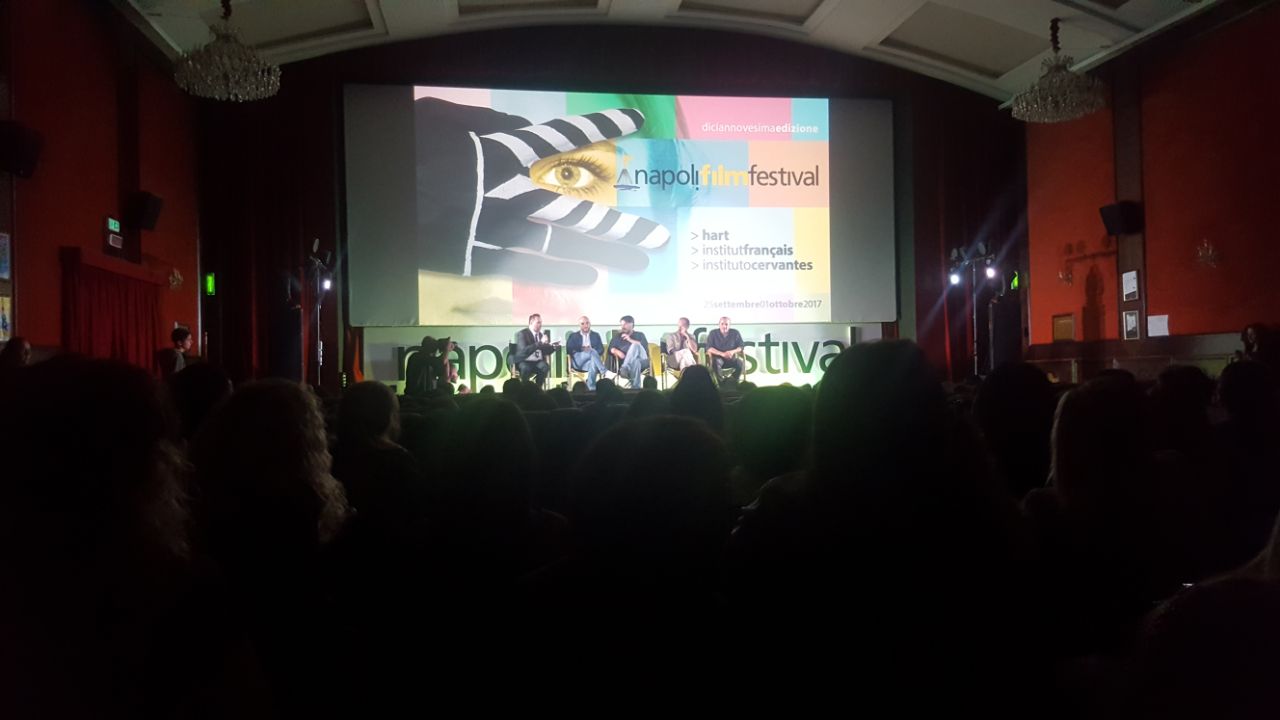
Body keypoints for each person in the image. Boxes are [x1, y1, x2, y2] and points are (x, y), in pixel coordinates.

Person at [566, 315, 609, 390]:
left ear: (590, 324)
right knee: (592, 351)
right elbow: (569, 349)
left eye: (587, 323)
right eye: (582, 324)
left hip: (589, 362)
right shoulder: (573, 336)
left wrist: (592, 351)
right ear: (579, 325)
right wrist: (581, 348)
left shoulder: (595, 335)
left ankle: (591, 388)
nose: (585, 325)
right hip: (578, 360)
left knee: (593, 362)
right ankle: (604, 371)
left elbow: (601, 349)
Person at [515, 313, 557, 386]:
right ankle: (524, 388)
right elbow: (524, 351)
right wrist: (540, 342)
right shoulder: (522, 334)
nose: (540, 325)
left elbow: (545, 351)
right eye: (538, 322)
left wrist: (553, 347)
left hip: (537, 362)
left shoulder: (541, 335)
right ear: (531, 322)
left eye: (541, 323)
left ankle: (538, 387)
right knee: (525, 368)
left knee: (545, 367)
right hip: (525, 361)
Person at [608, 315, 649, 388]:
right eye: (621, 325)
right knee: (636, 362)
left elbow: (644, 347)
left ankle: (625, 367)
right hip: (631, 362)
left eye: (625, 324)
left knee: (636, 345)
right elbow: (610, 348)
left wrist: (629, 339)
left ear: (632, 324)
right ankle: (636, 388)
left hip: (642, 359)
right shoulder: (617, 337)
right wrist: (616, 351)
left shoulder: (640, 335)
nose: (623, 327)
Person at [705, 316, 744, 385]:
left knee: (740, 363)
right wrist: (722, 354)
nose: (724, 326)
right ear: (719, 324)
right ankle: (721, 384)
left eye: (726, 324)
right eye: (722, 324)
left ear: (729, 325)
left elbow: (741, 346)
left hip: (730, 358)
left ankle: (733, 381)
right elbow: (709, 347)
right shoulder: (713, 333)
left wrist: (732, 352)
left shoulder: (735, 333)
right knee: (715, 362)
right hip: (718, 359)